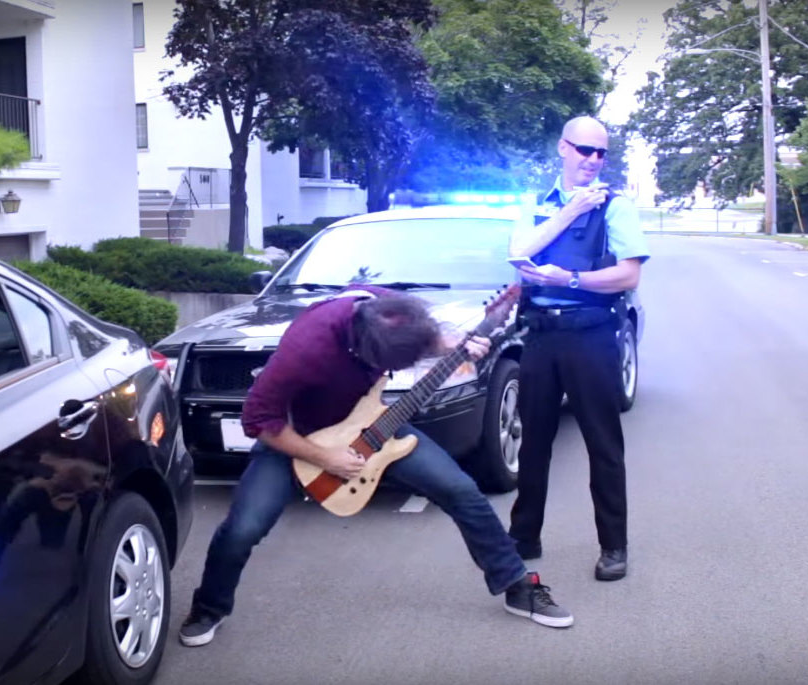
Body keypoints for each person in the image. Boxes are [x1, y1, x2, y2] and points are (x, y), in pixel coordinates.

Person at [178, 287, 573, 648]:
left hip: (371, 426)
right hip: (296, 438)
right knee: (244, 526)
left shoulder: (392, 309)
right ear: (366, 353)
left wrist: (453, 344)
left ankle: (517, 586)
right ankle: (209, 607)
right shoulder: (308, 345)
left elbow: (428, 339)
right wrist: (324, 457)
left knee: (462, 490)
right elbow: (257, 420)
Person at [506, 115, 650, 582]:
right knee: (534, 445)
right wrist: (568, 213)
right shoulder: (534, 204)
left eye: (601, 153)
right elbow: (519, 256)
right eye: (584, 150)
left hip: (592, 335)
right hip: (542, 336)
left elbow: (628, 275)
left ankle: (614, 547)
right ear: (562, 149)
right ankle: (524, 537)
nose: (593, 161)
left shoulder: (615, 208)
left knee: (602, 445)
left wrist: (569, 278)